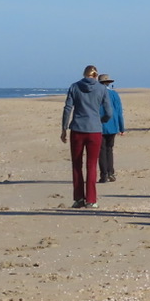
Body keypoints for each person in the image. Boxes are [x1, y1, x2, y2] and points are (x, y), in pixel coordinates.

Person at [61, 65, 114, 208]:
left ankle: (79, 199)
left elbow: (67, 108)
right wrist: (100, 120)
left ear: (84, 74)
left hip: (77, 129)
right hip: (94, 130)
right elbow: (109, 112)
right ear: (96, 76)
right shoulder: (102, 89)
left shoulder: (74, 87)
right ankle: (91, 199)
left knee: (77, 165)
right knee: (91, 165)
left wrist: (64, 128)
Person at [98, 74, 126, 182]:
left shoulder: (96, 93)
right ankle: (110, 172)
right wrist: (121, 127)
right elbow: (119, 112)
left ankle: (104, 174)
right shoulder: (114, 94)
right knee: (109, 149)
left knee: (102, 150)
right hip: (112, 125)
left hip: (99, 125)